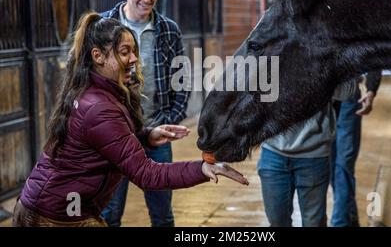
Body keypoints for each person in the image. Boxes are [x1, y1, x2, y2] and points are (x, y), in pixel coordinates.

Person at [11, 13, 248, 227]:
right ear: (98, 56)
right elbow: (147, 174)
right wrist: (202, 168)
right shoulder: (99, 108)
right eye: (125, 52)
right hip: (54, 216)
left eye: (133, 51)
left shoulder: (98, 89)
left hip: (57, 206)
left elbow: (106, 140)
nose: (134, 58)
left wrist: (146, 135)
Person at [100, 0, 188, 227]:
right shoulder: (103, 27)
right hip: (115, 135)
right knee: (110, 212)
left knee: (162, 213)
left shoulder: (169, 29)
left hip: (157, 132)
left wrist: (171, 116)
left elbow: (181, 80)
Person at [257, 79, 359, 227]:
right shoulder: (269, 57)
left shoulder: (324, 55)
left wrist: (324, 68)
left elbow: (347, 91)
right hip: (273, 152)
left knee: (314, 223)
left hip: (313, 154)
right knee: (277, 221)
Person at [330, 71, 381, 227]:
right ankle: (350, 218)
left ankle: (340, 223)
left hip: (348, 97)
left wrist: (371, 89)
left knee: (343, 166)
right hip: (323, 102)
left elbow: (373, 54)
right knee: (331, 167)